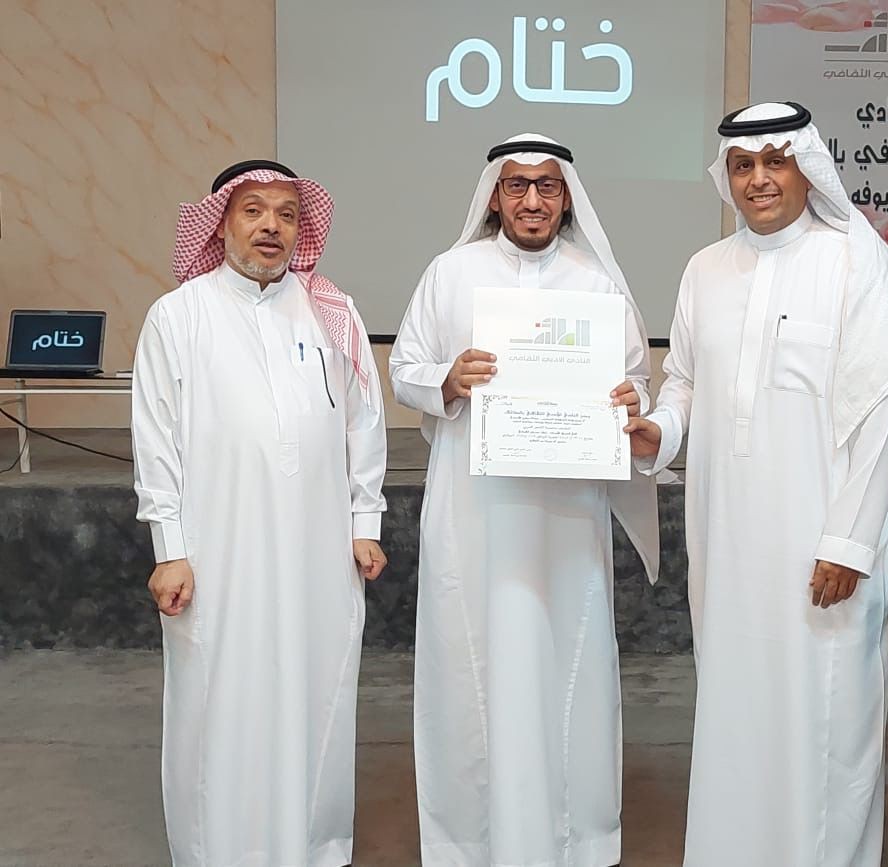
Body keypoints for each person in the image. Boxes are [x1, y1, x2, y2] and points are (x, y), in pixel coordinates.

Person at [626, 102, 888, 866]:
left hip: (822, 544)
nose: (758, 179)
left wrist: (848, 542)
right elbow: (685, 380)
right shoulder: (705, 269)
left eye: (774, 161)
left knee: (827, 726)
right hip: (729, 543)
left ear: (806, 166)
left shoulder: (859, 264)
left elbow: (879, 415)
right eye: (742, 165)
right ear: (725, 176)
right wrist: (659, 430)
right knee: (737, 716)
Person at [389, 134, 659, 867]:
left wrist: (629, 399)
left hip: (566, 515)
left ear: (566, 197)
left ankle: (576, 840)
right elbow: (405, 368)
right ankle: (468, 842)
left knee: (565, 657)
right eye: (517, 185)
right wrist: (447, 378)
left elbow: (637, 383)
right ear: (494, 195)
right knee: (471, 660)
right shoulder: (450, 274)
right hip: (474, 510)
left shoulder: (597, 285)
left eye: (547, 186)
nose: (532, 200)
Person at [131, 159, 388, 867]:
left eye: (287, 213)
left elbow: (364, 423)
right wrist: (169, 548)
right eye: (253, 211)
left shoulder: (331, 310)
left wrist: (365, 523)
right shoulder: (178, 315)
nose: (272, 226)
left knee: (315, 690)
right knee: (220, 697)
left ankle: (312, 845)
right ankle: (217, 847)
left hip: (318, 550)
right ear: (220, 223)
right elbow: (155, 439)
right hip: (219, 550)